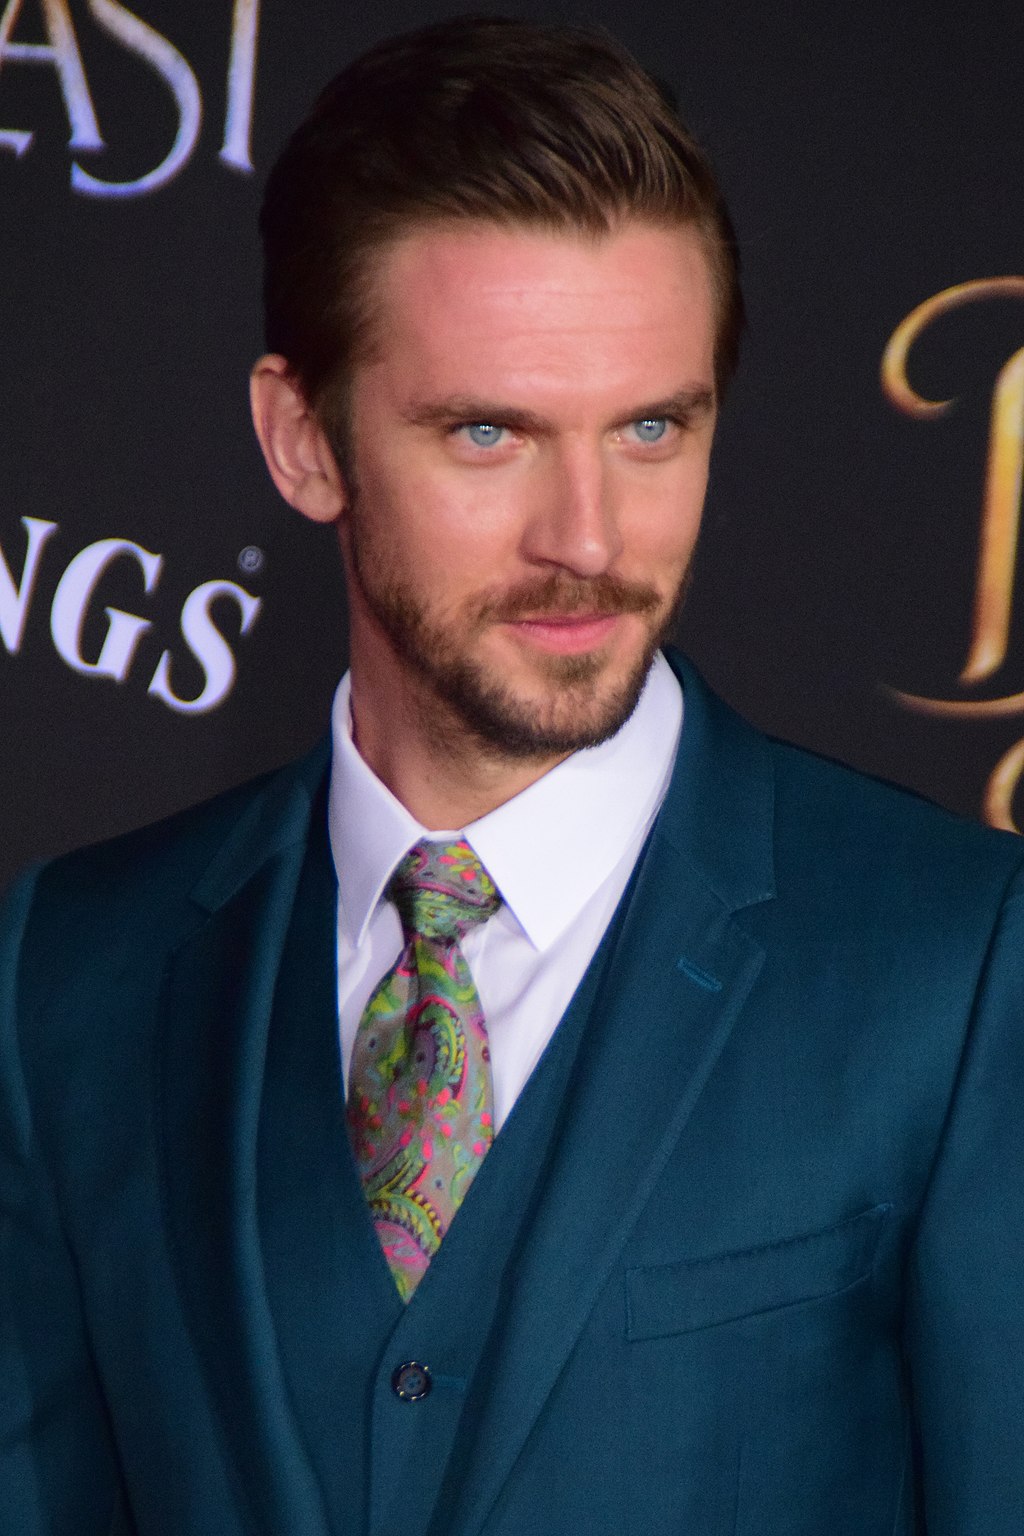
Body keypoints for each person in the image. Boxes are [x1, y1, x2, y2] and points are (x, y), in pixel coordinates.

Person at [2, 15, 1023, 1534]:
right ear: (304, 439)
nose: (591, 539)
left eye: (653, 429)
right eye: (489, 433)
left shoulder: (964, 965)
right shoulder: (66, 972)